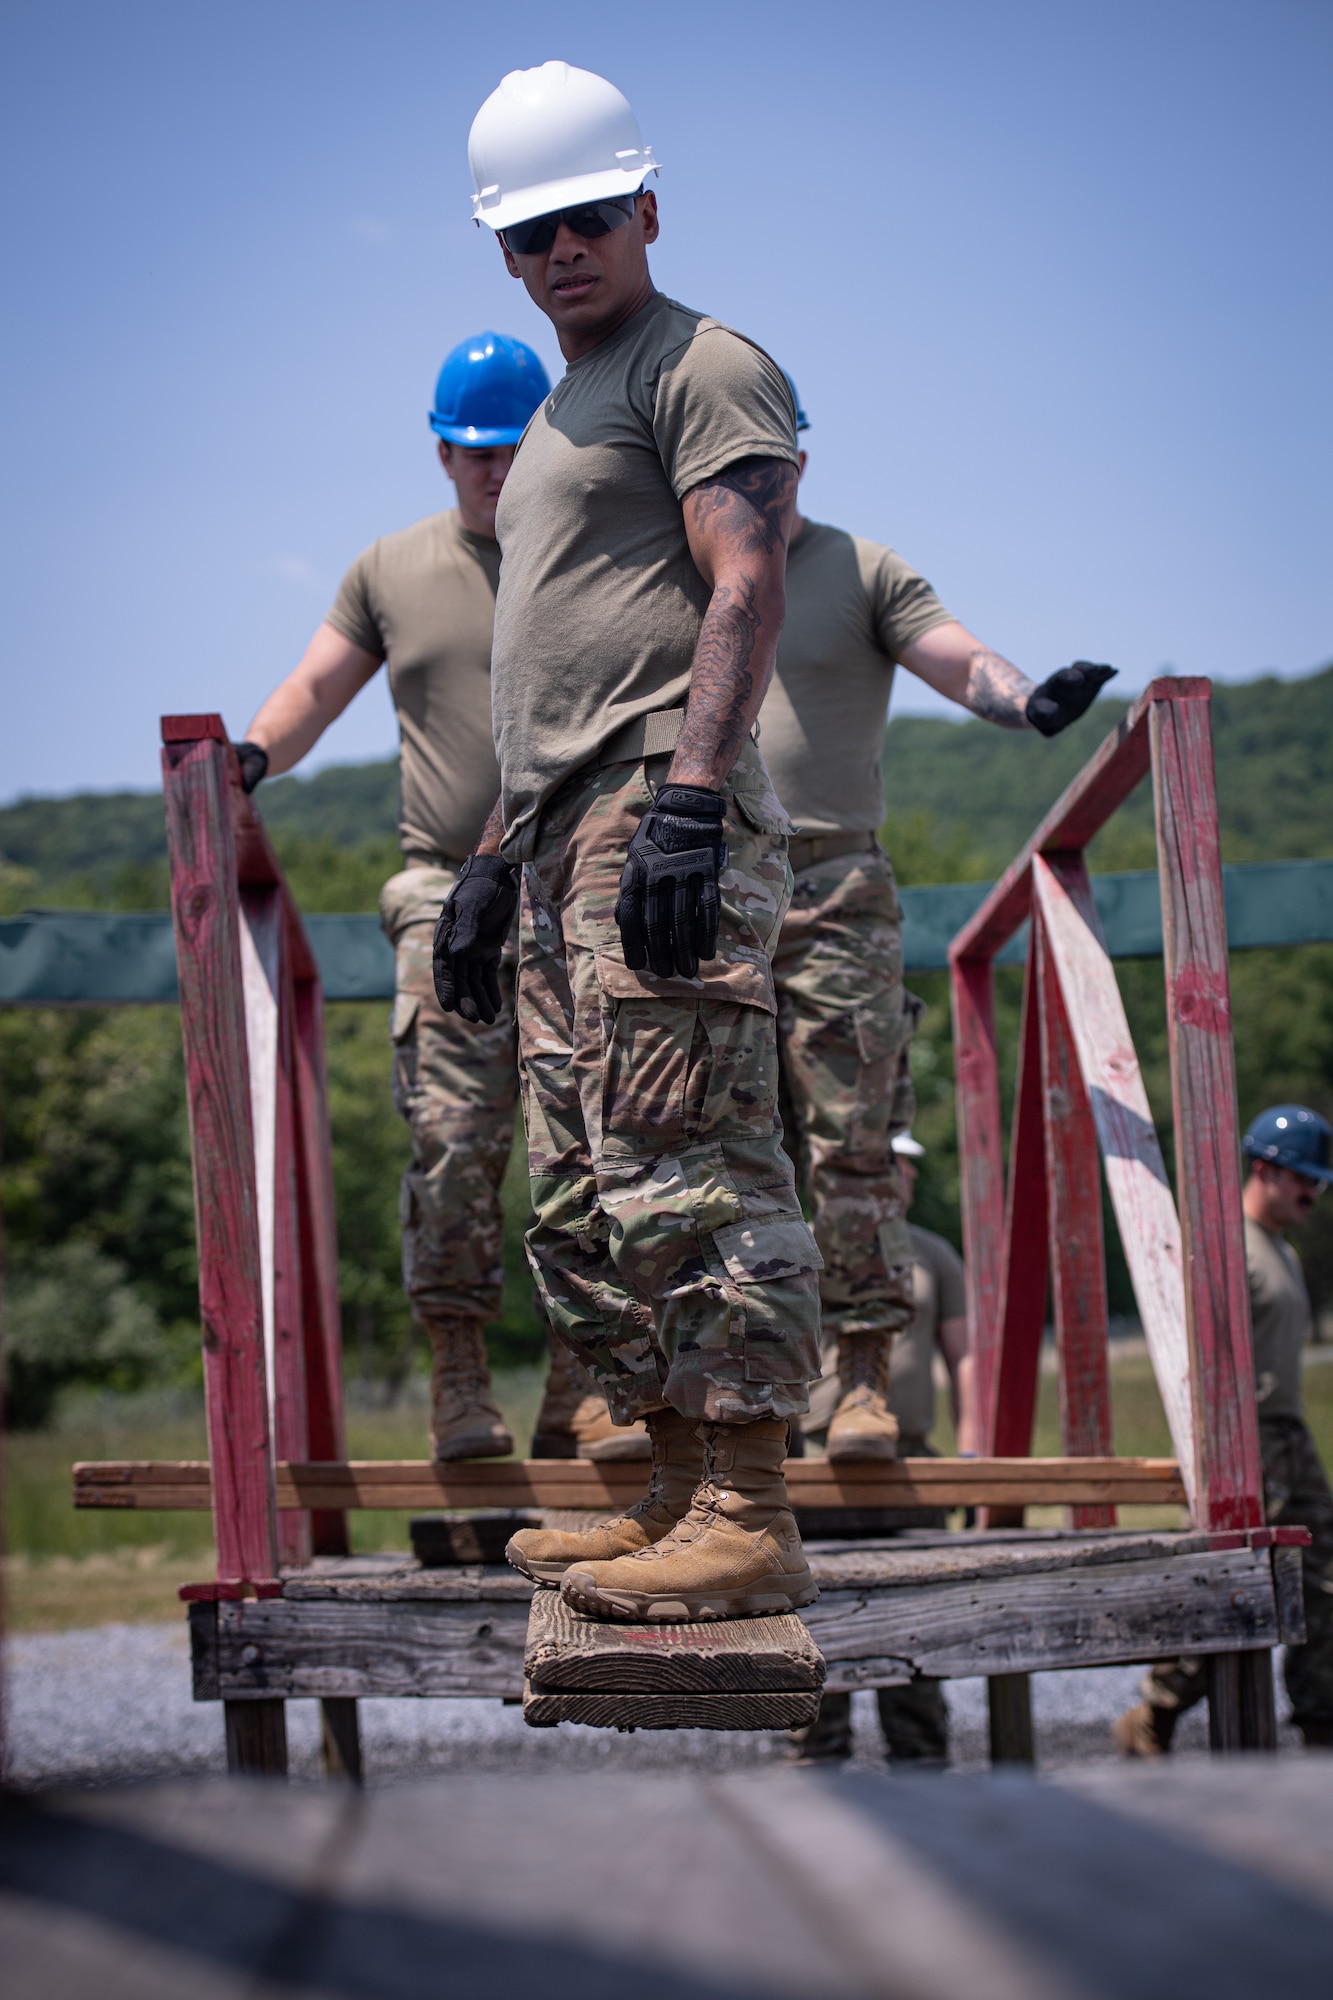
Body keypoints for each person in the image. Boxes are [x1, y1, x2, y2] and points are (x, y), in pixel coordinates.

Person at [434, 60, 824, 1621]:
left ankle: (749, 1506)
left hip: (656, 809)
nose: (561, 253)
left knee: (696, 1158)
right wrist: (481, 860)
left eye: (588, 219)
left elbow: (744, 579)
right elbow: (542, 677)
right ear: (505, 257)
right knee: (595, 1184)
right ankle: (674, 1482)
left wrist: (690, 797)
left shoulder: (701, 364)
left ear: (647, 209)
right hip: (554, 837)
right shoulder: (542, 428)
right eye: (530, 237)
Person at [767, 388, 1115, 1458]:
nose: (750, 473)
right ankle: (752, 1395)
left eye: (769, 453)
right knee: (725, 1153)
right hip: (705, 887)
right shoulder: (668, 570)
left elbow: (953, 653)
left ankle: (865, 1380)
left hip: (834, 884)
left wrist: (1021, 701)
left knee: (854, 1140)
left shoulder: (859, 568)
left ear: (799, 462)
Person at [234, 331, 550, 1462]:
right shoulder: (390, 568)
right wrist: (252, 757)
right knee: (456, 1134)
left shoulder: (590, 552)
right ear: (441, 451)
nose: (496, 470)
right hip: (441, 888)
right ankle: (460, 1379)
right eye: (475, 451)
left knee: (595, 1135)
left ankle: (589, 1379)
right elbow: (315, 686)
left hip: (575, 876)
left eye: (515, 446)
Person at [1115, 1104, 1333, 1753]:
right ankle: (1154, 1712)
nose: (1313, 1193)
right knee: (1228, 1586)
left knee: (1323, 1584)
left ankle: (1321, 1721)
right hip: (1243, 1439)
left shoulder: (1281, 1252)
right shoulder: (1226, 1245)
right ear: (1265, 1169)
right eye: (1303, 1179)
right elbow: (1200, 1358)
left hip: (1289, 1439)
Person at [789, 1131, 977, 1765]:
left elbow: (965, 1358)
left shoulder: (932, 1256)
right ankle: (818, 1768)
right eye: (891, 1163)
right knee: (817, 1637)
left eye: (909, 1168)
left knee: (918, 1631)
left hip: (913, 1462)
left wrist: (974, 1454)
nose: (904, 1178)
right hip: (822, 1467)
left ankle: (921, 1761)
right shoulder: (807, 1251)